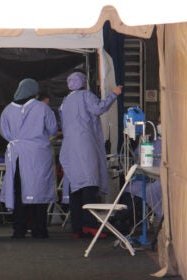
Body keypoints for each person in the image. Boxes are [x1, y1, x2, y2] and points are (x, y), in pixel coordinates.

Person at [59, 71, 122, 238]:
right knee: (89, 183)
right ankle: (91, 224)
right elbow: (98, 108)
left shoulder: (65, 102)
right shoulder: (86, 95)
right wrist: (113, 95)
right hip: (85, 144)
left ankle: (77, 227)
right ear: (84, 82)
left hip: (69, 146)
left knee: (76, 185)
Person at [0, 78, 58, 238]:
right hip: (38, 154)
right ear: (35, 91)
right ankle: (39, 229)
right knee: (39, 190)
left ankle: (19, 228)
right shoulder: (42, 108)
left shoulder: (7, 110)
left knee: (19, 190)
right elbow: (53, 129)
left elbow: (5, 133)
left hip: (17, 154)